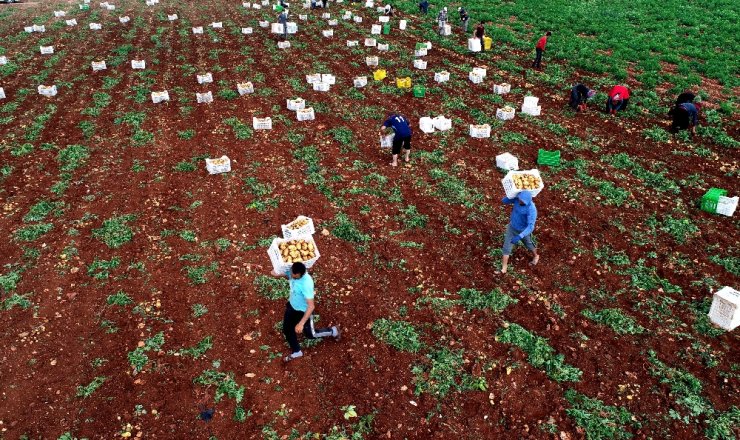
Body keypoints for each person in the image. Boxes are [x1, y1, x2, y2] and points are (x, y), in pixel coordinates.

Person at [271, 262, 341, 363]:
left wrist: (301, 323)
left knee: (310, 334)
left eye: (294, 275)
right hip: (292, 306)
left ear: (300, 274)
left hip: (304, 311)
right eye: (291, 273)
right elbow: (277, 273)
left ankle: (333, 331)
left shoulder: (306, 284)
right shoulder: (292, 271)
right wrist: (276, 270)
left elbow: (311, 306)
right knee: (287, 329)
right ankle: (297, 351)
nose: (292, 276)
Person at [499, 191, 539, 274]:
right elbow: (504, 201)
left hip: (523, 231)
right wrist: (510, 195)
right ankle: (504, 267)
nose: (520, 201)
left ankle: (536, 256)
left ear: (527, 201)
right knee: (506, 248)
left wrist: (520, 236)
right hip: (512, 227)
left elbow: (531, 226)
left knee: (529, 244)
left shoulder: (531, 209)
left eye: (522, 200)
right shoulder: (517, 200)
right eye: (520, 199)